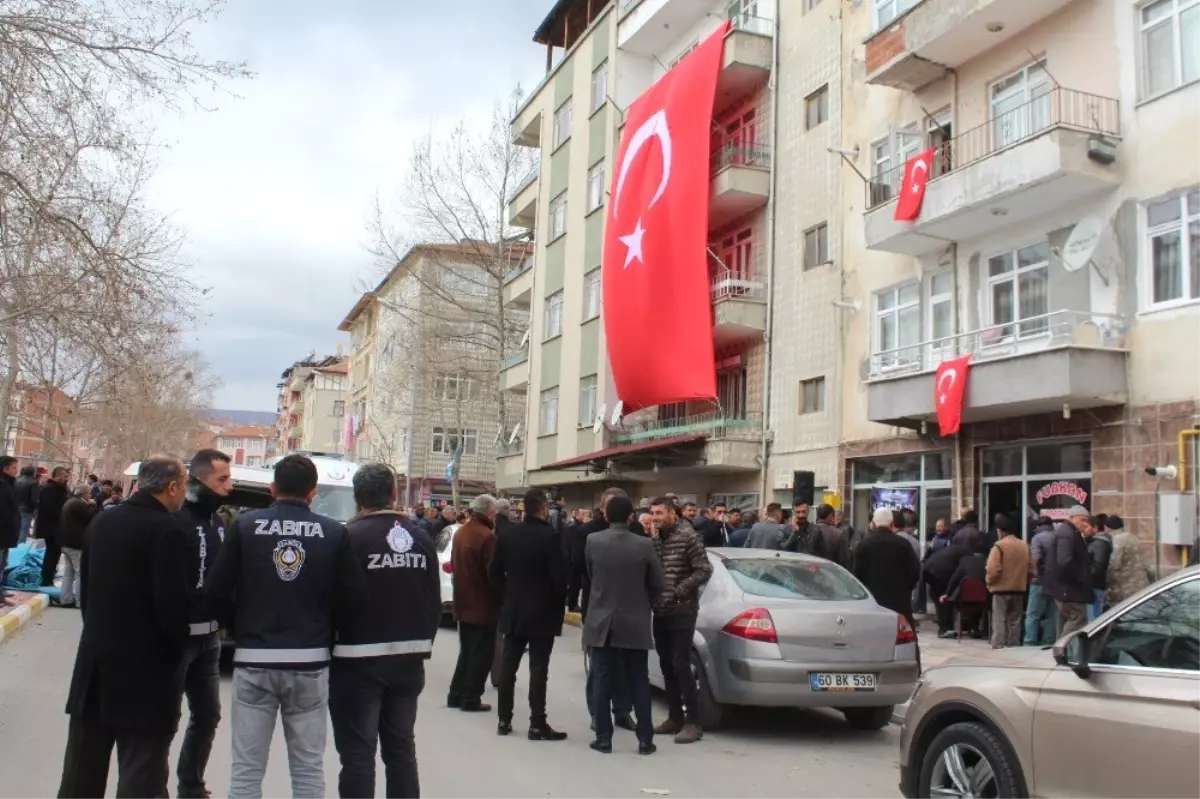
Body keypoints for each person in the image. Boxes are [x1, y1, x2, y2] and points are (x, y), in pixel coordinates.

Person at [207, 454, 367, 799]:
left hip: (254, 657)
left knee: (247, 770)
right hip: (309, 658)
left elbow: (217, 589)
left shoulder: (246, 527)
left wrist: (238, 624)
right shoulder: (333, 533)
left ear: (272, 488)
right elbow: (353, 598)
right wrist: (328, 633)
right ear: (313, 494)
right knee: (308, 769)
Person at [57, 456, 191, 799]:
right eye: (185, 484)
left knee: (81, 771)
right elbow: (172, 609)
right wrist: (175, 658)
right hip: (145, 673)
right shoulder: (168, 530)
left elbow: (87, 592)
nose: (185, 493)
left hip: (96, 664)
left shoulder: (104, 521)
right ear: (171, 487)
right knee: (140, 772)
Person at [330, 463, 440, 799]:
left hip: (356, 660)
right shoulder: (420, 537)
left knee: (358, 754)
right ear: (394, 493)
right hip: (408, 659)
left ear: (357, 497)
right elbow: (432, 598)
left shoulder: (347, 537)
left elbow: (333, 598)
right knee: (401, 749)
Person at [171, 448, 233, 799]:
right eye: (221, 479)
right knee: (164, 721)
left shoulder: (218, 522)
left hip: (209, 640)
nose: (229, 486)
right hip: (177, 642)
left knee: (207, 716)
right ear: (196, 481)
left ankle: (191, 786)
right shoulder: (175, 520)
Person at [584, 494, 663, 755]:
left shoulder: (593, 541)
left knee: (602, 679)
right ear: (631, 517)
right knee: (638, 679)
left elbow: (591, 574)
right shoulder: (645, 545)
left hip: (602, 620)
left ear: (606, 516)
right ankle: (645, 739)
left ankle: (603, 737)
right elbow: (657, 584)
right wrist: (644, 606)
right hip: (635, 620)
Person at [490, 488, 570, 740]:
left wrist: (509, 594)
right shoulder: (550, 537)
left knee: (508, 666)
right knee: (538, 668)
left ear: (524, 508)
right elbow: (560, 580)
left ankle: (504, 719)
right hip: (542, 613)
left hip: (514, 610)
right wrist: (554, 601)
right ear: (543, 508)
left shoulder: (508, 534)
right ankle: (537, 722)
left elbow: (493, 572)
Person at [648, 495, 712, 744]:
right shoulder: (655, 540)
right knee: (666, 665)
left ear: (673, 513)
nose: (655, 518)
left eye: (659, 513)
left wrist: (679, 589)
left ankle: (693, 722)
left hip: (682, 609)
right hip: (660, 610)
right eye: (653, 513)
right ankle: (674, 717)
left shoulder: (688, 536)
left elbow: (705, 569)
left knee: (681, 665)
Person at [446, 494, 502, 713]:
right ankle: (470, 697)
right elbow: (493, 574)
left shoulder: (461, 532)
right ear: (489, 513)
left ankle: (456, 693)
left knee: (467, 651)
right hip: (482, 604)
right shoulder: (486, 536)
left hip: (463, 601)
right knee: (481, 654)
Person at [853, 508, 921, 654]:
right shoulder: (903, 544)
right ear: (891, 524)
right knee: (906, 639)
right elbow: (915, 573)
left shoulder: (864, 545)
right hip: (899, 601)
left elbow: (857, 575)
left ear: (873, 523)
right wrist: (906, 588)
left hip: (873, 601)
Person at [1042, 505, 1093, 638]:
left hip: (1066, 588)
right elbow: (1064, 562)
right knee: (1077, 620)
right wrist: (1080, 578)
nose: (1085, 524)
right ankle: (1063, 649)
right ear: (1072, 517)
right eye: (1083, 520)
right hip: (1069, 589)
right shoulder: (1067, 533)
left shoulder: (1069, 532)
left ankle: (1063, 650)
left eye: (1087, 521)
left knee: (1068, 621)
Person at [985, 514, 1033, 648]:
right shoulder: (1024, 545)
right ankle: (1014, 644)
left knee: (999, 619)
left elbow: (992, 569)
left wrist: (990, 582)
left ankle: (998, 645)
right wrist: (1023, 581)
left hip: (1000, 589)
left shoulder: (999, 546)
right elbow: (1032, 569)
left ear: (1000, 531)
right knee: (1015, 620)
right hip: (1018, 588)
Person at [923, 543, 972, 637]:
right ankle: (944, 629)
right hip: (939, 572)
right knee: (943, 600)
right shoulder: (967, 555)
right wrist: (948, 592)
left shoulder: (956, 549)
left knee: (939, 598)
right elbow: (958, 574)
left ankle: (945, 627)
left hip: (930, 568)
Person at [58, 487, 95, 609]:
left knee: (69, 573)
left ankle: (65, 599)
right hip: (75, 543)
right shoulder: (78, 504)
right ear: (83, 494)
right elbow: (89, 517)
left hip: (66, 542)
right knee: (80, 572)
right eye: (89, 493)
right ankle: (80, 601)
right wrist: (92, 506)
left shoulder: (70, 501)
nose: (90, 496)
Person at [1024, 516, 1057, 646]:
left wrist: (1037, 575)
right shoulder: (1058, 536)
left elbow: (1036, 559)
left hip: (1040, 582)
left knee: (1032, 614)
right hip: (1055, 582)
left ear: (1038, 526)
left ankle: (1030, 641)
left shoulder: (1037, 538)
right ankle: (1048, 641)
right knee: (1051, 615)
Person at [37, 465, 71, 589]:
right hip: (51, 527)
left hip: (58, 527)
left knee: (55, 553)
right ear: (57, 476)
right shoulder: (50, 489)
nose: (67, 479)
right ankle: (46, 579)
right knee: (51, 554)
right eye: (64, 476)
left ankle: (50, 577)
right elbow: (49, 508)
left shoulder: (62, 489)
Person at [1103, 516, 1150, 607]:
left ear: (1108, 527)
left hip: (1125, 587)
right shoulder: (1132, 537)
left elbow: (1114, 564)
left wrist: (1106, 580)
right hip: (1140, 582)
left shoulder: (1117, 540)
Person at [0, 456, 22, 605]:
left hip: (7, 532)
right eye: (14, 468)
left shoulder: (8, 483)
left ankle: (1, 590)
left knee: (3, 562)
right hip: (3, 531)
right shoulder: (2, 485)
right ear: (5, 469)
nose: (17, 471)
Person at [1085, 516, 1113, 621]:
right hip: (1095, 585)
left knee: (1093, 619)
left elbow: (1098, 566)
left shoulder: (1099, 543)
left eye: (1087, 526)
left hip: (1095, 586)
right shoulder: (1094, 542)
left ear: (1095, 528)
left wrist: (1084, 576)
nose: (1084, 528)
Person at [814, 504, 850, 568]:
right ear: (830, 516)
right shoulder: (838, 534)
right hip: (831, 573)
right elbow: (845, 560)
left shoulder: (808, 531)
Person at [15, 464, 39, 544]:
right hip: (27, 510)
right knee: (24, 530)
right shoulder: (33, 482)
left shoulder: (16, 480)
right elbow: (34, 499)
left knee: (16, 529)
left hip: (15, 508)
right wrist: (35, 507)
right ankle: (20, 549)